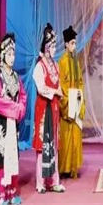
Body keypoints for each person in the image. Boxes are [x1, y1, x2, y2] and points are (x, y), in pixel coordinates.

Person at [0, 33, 27, 205]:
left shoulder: (16, 78)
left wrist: (21, 108)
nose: (12, 57)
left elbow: (23, 96)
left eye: (13, 54)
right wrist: (16, 108)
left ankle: (12, 192)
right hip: (3, 123)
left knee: (13, 158)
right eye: (9, 54)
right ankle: (2, 194)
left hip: (14, 124)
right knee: (3, 159)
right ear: (2, 55)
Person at [32, 23, 65, 194]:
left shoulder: (56, 66)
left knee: (54, 145)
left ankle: (54, 181)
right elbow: (41, 88)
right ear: (45, 47)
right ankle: (41, 182)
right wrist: (56, 92)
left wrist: (59, 91)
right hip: (44, 109)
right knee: (42, 145)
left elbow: (58, 85)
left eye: (54, 46)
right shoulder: (39, 66)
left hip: (54, 108)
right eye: (51, 46)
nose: (54, 49)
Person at [58, 25, 85, 179]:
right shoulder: (62, 62)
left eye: (75, 43)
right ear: (66, 44)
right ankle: (65, 168)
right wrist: (70, 99)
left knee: (76, 135)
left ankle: (74, 168)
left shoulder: (76, 62)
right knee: (67, 137)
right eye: (72, 43)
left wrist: (79, 96)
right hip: (68, 103)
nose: (74, 46)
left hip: (76, 100)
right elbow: (62, 84)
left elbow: (80, 82)